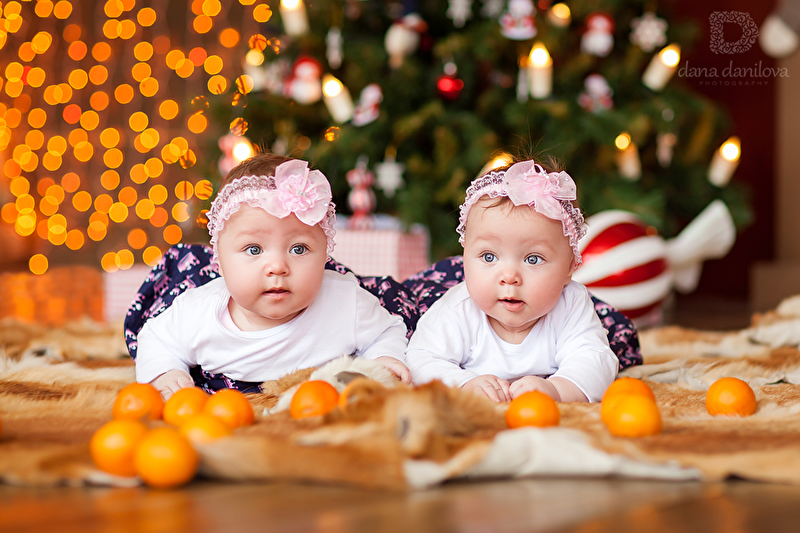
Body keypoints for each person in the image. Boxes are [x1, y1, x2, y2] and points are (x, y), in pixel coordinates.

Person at [134, 153, 411, 399]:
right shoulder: (197, 314)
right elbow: (156, 339)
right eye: (253, 249)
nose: (277, 266)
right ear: (219, 257)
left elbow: (387, 331)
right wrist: (165, 373)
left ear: (325, 251)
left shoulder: (346, 304)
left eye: (299, 248)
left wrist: (383, 359)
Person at [405, 158, 619, 403]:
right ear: (464, 256)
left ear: (570, 267)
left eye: (533, 259)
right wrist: (463, 383)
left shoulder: (571, 304)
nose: (509, 277)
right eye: (488, 256)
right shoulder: (458, 308)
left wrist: (558, 390)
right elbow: (421, 358)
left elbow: (597, 361)